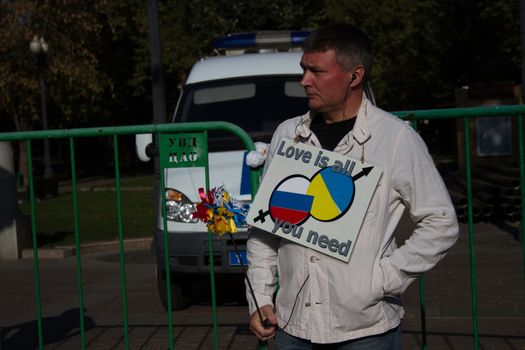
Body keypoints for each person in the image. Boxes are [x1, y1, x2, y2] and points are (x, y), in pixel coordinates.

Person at [246, 23, 459, 349]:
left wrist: (383, 279)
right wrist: (260, 295)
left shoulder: (396, 140)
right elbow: (267, 228)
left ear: (354, 76)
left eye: (316, 71)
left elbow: (440, 223)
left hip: (365, 332)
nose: (304, 80)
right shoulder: (287, 135)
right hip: (292, 327)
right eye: (303, 69)